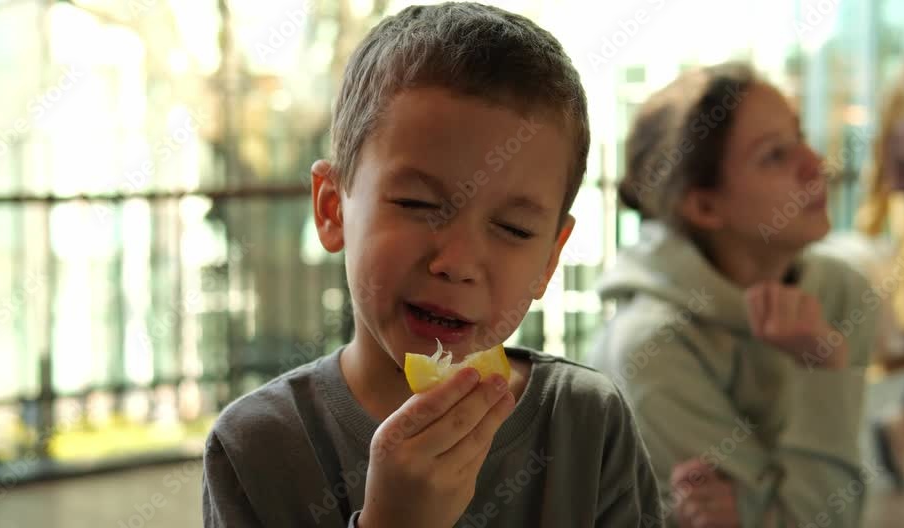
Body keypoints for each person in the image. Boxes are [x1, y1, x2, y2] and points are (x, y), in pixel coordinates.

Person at [201, 3, 663, 527]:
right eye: (417, 204)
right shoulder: (257, 448)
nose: (457, 262)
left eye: (514, 228)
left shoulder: (588, 426)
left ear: (550, 259)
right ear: (332, 209)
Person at [587, 62, 879, 527]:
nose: (815, 164)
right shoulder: (651, 347)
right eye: (775, 155)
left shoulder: (843, 291)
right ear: (704, 205)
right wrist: (823, 367)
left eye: (800, 137)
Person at [854, 57, 904, 492]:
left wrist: (872, 221)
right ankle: (898, 423)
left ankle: (899, 423)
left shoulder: (897, 99)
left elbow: (883, 173)